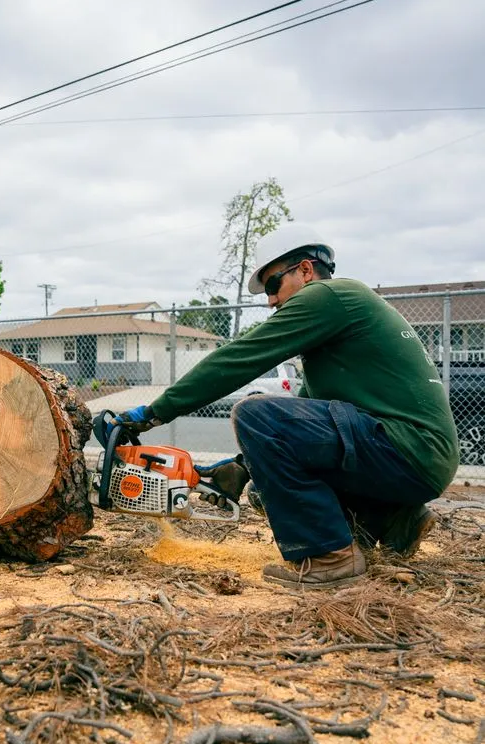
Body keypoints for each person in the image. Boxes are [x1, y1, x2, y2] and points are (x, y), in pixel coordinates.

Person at [108, 223, 459, 590]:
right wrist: (244, 465)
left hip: (407, 448)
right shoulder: (338, 322)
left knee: (254, 413)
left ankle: (331, 558)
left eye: (273, 285)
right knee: (263, 490)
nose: (271, 300)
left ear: (305, 270)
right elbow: (307, 417)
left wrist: (154, 412)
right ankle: (394, 522)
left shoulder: (328, 295)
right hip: (414, 456)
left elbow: (241, 357)